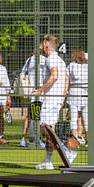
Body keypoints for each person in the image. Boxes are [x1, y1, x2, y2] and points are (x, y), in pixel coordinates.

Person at [34, 34, 72, 169]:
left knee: (44, 128)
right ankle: (48, 161)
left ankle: (66, 150)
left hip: (50, 99)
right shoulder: (60, 60)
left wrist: (40, 90)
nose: (41, 47)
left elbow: (54, 76)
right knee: (50, 129)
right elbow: (66, 80)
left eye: (42, 44)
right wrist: (62, 97)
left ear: (46, 46)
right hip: (55, 99)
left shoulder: (51, 59)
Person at [17, 48, 43, 148]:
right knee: (37, 115)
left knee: (30, 115)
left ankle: (24, 139)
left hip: (30, 91)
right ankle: (35, 138)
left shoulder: (29, 59)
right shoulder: (45, 59)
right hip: (39, 91)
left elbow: (22, 73)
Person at [66, 49, 89, 147]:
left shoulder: (71, 65)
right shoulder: (88, 66)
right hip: (85, 92)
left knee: (74, 118)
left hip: (73, 92)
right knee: (86, 117)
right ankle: (89, 139)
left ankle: (74, 140)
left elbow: (66, 79)